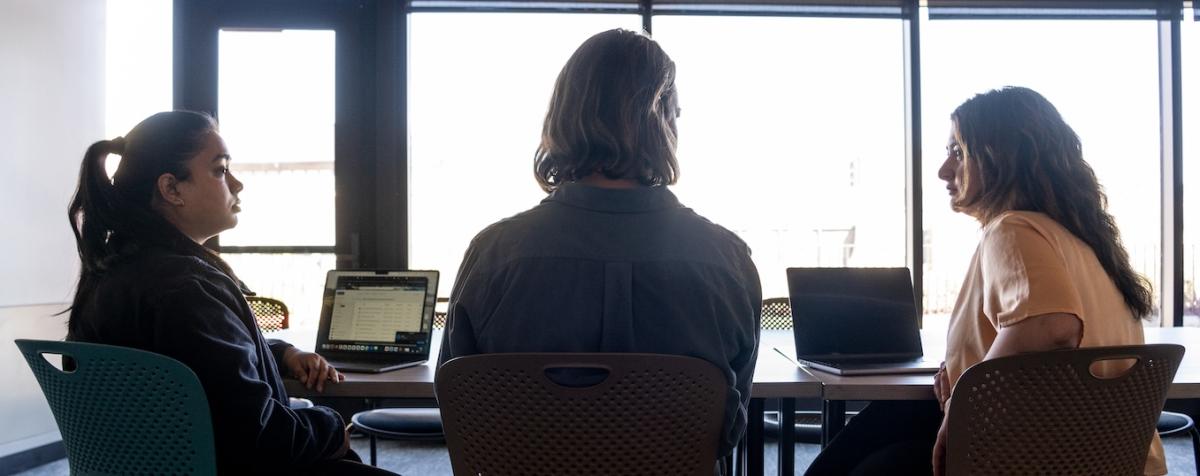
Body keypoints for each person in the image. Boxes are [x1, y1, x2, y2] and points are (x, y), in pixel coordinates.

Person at [438, 28, 762, 471]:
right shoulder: (727, 260)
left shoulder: (493, 254)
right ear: (664, 120)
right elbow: (726, 430)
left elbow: (461, 409)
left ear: (562, 116)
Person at [806, 86, 1163, 476]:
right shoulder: (1087, 245)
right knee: (886, 427)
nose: (944, 169)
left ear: (1002, 158)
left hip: (1031, 459)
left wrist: (964, 399)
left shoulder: (1013, 229)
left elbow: (1052, 326)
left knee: (862, 458)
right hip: (1104, 458)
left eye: (958, 152)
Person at [65, 111, 395, 475]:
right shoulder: (188, 289)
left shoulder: (115, 273)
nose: (237, 184)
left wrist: (281, 352)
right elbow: (257, 439)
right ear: (171, 189)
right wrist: (333, 427)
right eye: (221, 170)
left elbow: (190, 360)